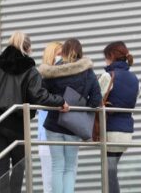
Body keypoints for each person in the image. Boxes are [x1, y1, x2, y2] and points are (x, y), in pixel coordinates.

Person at [0, 31, 69, 193]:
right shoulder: (29, 69)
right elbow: (39, 95)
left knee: (1, 163)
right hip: (16, 123)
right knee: (19, 163)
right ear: (28, 48)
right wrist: (60, 101)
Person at [40, 38, 102, 193]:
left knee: (57, 165)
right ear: (80, 52)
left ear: (64, 52)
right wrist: (80, 107)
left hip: (53, 124)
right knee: (69, 167)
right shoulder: (87, 72)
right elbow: (96, 100)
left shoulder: (53, 71)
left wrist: (59, 102)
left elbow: (42, 95)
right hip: (74, 126)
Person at [98, 41, 140, 193]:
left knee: (109, 173)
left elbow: (97, 99)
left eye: (106, 58)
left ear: (111, 56)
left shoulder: (108, 76)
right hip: (126, 132)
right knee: (111, 170)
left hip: (111, 131)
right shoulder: (135, 79)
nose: (105, 61)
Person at [37, 42, 63, 193]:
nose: (61, 57)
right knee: (48, 181)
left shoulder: (68, 76)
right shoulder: (41, 78)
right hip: (47, 135)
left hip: (65, 132)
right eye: (58, 54)